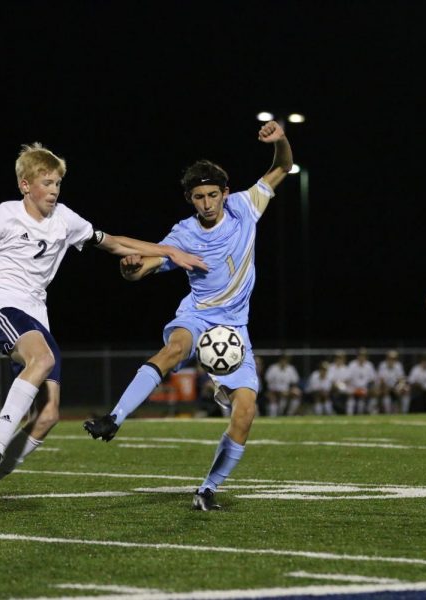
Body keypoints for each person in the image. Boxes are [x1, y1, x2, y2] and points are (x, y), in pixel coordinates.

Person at [0, 143, 205, 516]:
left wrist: (168, 252)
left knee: (48, 416)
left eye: (57, 183)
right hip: (1, 303)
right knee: (43, 358)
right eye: (46, 183)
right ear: (24, 185)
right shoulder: (3, 216)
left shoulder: (65, 219)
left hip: (36, 312)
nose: (53, 190)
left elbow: (111, 242)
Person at [82, 120, 293, 511]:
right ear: (189, 199)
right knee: (175, 348)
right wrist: (131, 266)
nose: (207, 203)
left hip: (234, 330)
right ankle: (114, 417)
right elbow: (144, 266)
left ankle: (208, 489)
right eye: (199, 197)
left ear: (225, 193)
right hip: (196, 317)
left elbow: (280, 168)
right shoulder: (183, 233)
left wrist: (280, 141)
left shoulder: (245, 207)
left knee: (246, 411)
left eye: (213, 195)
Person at [346, 348, 377, 415]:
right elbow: (348, 379)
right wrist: (350, 389)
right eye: (360, 355)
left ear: (366, 356)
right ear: (357, 356)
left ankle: (372, 413)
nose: (361, 357)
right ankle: (349, 415)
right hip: (354, 388)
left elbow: (373, 379)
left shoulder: (369, 365)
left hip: (365, 389)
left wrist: (370, 389)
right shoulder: (352, 365)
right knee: (350, 398)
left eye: (363, 355)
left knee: (373, 392)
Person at [377, 350, 407, 414]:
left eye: (393, 358)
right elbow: (381, 380)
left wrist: (398, 388)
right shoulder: (382, 365)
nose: (391, 360)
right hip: (385, 387)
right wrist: (388, 388)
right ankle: (387, 413)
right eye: (390, 358)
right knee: (385, 390)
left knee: (405, 390)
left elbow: (401, 380)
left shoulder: (399, 365)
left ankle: (403, 412)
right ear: (387, 358)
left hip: (395, 387)